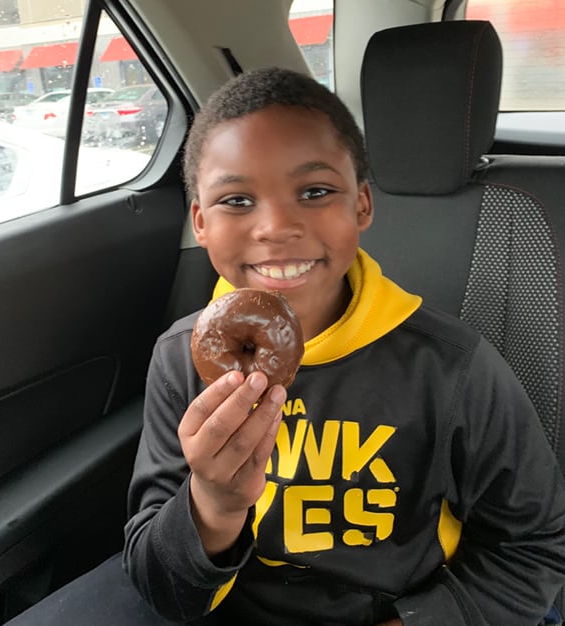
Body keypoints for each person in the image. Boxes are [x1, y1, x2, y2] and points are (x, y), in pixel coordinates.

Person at [122, 67, 565, 626]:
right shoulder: (181, 358)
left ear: (361, 206)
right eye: (236, 200)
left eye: (315, 191)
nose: (277, 226)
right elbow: (162, 586)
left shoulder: (452, 367)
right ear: (200, 221)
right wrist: (213, 504)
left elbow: (534, 545)